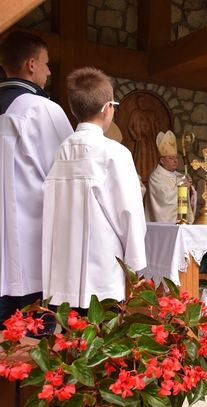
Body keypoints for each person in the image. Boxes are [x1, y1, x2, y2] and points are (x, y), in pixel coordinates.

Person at [42, 67, 147, 310]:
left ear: (73, 109)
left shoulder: (61, 151)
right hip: (102, 273)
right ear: (107, 107)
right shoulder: (115, 153)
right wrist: (134, 265)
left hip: (62, 271)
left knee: (70, 340)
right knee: (101, 341)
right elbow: (129, 212)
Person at [0, 31, 73, 329]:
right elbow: (69, 172)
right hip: (29, 252)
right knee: (31, 351)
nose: (49, 71)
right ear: (31, 65)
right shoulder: (40, 109)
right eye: (46, 64)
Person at [144, 130, 197, 224]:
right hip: (164, 226)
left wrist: (190, 189)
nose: (175, 161)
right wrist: (182, 187)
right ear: (162, 160)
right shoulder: (156, 177)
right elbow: (164, 199)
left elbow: (189, 197)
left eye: (176, 157)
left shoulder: (179, 175)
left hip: (182, 223)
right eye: (170, 158)